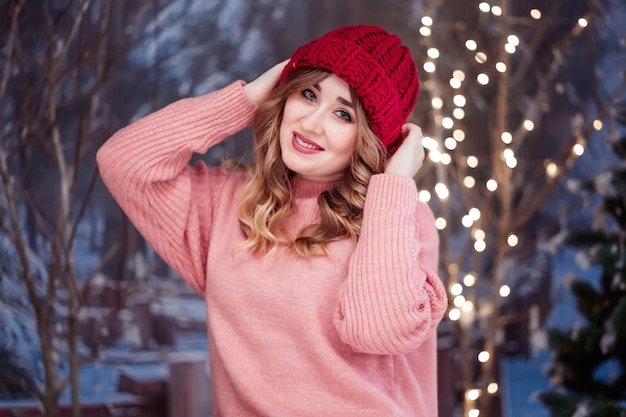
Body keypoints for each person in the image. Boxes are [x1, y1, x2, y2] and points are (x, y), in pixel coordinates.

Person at [97, 24, 448, 417]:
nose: (311, 123)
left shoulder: (399, 219)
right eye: (308, 93)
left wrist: (394, 183)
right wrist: (247, 98)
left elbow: (376, 330)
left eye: (343, 114)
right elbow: (123, 162)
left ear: (370, 137)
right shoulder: (228, 205)